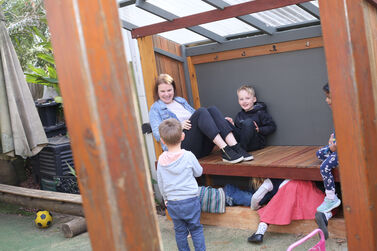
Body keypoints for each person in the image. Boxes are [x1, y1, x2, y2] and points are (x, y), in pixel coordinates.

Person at [149, 73, 253, 163]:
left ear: (173, 89)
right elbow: (159, 135)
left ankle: (236, 148)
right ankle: (225, 150)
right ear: (157, 92)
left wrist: (220, 122)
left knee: (212, 110)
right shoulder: (155, 109)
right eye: (162, 91)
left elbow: (202, 120)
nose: (167, 94)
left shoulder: (180, 101)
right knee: (202, 111)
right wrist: (178, 126)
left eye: (169, 90)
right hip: (182, 148)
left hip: (201, 146)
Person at [156, 118, 205, 251]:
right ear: (182, 136)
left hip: (173, 202)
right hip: (190, 199)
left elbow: (160, 181)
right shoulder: (188, 156)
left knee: (180, 231)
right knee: (195, 229)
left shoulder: (161, 159)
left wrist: (165, 198)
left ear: (162, 140)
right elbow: (199, 172)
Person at [247, 180, 325, 244]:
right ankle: (326, 213)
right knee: (317, 202)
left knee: (271, 209)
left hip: (289, 188)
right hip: (304, 184)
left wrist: (254, 207)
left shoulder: (269, 181)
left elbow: (255, 197)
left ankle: (259, 233)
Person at [314, 83, 341, 239]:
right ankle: (326, 214)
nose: (327, 100)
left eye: (329, 97)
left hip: (345, 151)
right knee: (319, 153)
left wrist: (335, 147)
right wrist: (332, 144)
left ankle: (331, 197)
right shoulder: (338, 113)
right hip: (336, 147)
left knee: (324, 167)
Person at [225, 85, 276, 152]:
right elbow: (239, 131)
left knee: (248, 122)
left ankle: (240, 149)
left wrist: (259, 129)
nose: (244, 101)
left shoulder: (260, 112)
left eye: (247, 98)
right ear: (238, 101)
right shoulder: (239, 115)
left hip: (255, 142)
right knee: (226, 121)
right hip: (242, 141)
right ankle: (236, 147)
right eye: (241, 99)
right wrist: (232, 125)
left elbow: (272, 127)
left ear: (254, 99)